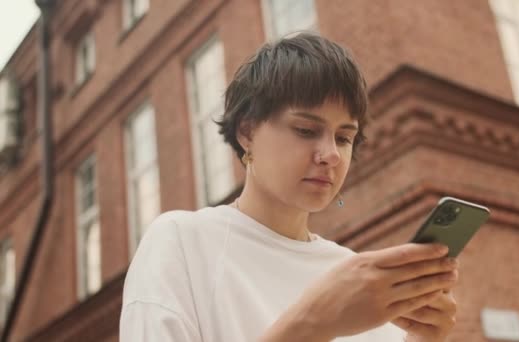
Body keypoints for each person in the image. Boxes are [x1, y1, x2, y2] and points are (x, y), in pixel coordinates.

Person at [119, 33, 458, 341]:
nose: (330, 156)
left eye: (343, 138)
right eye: (306, 130)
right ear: (247, 132)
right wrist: (311, 324)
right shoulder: (181, 242)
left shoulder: (359, 279)